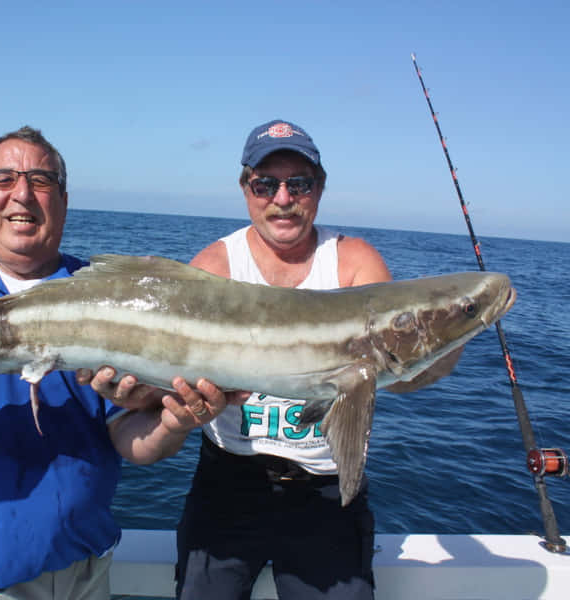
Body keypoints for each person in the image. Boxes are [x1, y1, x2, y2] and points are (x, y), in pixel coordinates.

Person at [0, 125, 232, 600]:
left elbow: (129, 442)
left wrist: (174, 423)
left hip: (87, 574)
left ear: (64, 200)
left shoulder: (107, 295)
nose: (22, 194)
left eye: (41, 181)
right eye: (3, 179)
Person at [86, 119, 461, 599]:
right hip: (228, 481)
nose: (282, 198)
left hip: (325, 491)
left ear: (319, 189)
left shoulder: (354, 263)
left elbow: (397, 375)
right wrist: (140, 393)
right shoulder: (215, 267)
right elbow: (160, 397)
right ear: (246, 188)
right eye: (266, 184)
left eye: (298, 184)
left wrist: (448, 338)